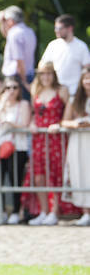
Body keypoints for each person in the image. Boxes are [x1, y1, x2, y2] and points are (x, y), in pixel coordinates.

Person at [25, 62, 70, 225]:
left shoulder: (62, 90)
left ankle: (54, 211)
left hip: (55, 137)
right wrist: (31, 123)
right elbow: (33, 113)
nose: (45, 77)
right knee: (38, 176)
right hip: (39, 138)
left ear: (54, 74)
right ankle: (43, 210)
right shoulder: (35, 90)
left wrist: (60, 124)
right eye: (43, 73)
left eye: (49, 73)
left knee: (55, 174)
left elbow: (68, 113)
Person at [0, 75, 31, 225]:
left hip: (16, 147)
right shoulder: (0, 103)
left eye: (14, 88)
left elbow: (24, 124)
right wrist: (2, 103)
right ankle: (1, 211)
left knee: (15, 180)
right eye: (8, 88)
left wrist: (11, 124)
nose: (11, 91)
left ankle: (16, 211)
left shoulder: (23, 104)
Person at [55, 66, 90, 225]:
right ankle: (86, 212)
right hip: (79, 141)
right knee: (80, 173)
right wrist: (76, 124)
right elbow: (64, 120)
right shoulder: (76, 100)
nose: (88, 82)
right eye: (85, 78)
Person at [38, 14, 90, 98]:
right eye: (55, 28)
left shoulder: (81, 46)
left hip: (74, 92)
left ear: (70, 28)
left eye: (59, 28)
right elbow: (43, 64)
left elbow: (87, 70)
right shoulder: (53, 45)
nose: (56, 31)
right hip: (56, 91)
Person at [0, 5, 37, 96]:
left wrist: (24, 81)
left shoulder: (13, 34)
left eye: (5, 20)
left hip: (17, 78)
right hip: (29, 74)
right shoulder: (30, 31)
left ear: (11, 21)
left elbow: (19, 60)